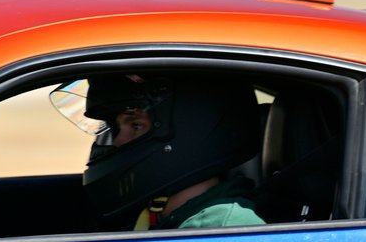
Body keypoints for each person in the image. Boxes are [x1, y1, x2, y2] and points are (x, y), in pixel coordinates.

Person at [52, 73, 265, 230]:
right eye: (116, 128)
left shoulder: (226, 229)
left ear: (192, 131)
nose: (118, 141)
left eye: (136, 125)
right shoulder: (160, 214)